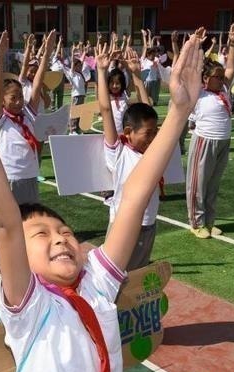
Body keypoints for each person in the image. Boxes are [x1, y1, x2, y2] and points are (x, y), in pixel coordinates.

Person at [0, 22, 204, 372]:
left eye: (65, 232)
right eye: (41, 235)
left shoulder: (96, 286)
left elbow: (135, 194)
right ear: (16, 260)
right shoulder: (29, 304)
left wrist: (178, 111)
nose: (60, 237)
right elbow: (5, 224)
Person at [98, 45, 160, 271]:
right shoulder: (119, 151)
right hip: (123, 225)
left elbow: (148, 109)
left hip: (148, 223)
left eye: (155, 133)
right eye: (147, 134)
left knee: (137, 276)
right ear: (127, 132)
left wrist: (136, 75)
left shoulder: (154, 152)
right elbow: (105, 109)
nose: (153, 138)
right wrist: (101, 71)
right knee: (115, 275)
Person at [186, 24, 234, 239]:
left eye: (220, 76)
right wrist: (195, 46)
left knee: (213, 184)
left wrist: (233, 44)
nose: (221, 78)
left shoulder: (224, 89)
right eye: (217, 76)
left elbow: (231, 69)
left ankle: (209, 221)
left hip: (223, 142)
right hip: (204, 142)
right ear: (206, 79)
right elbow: (190, 70)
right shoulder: (199, 92)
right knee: (198, 184)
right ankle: (196, 222)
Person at [0, 30, 54, 205]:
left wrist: (47, 54)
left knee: (30, 221)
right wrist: (0, 56)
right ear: (2, 100)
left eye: (20, 97)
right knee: (11, 223)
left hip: (30, 175)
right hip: (10, 176)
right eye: (13, 98)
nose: (19, 102)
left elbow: (38, 83)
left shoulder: (27, 113)